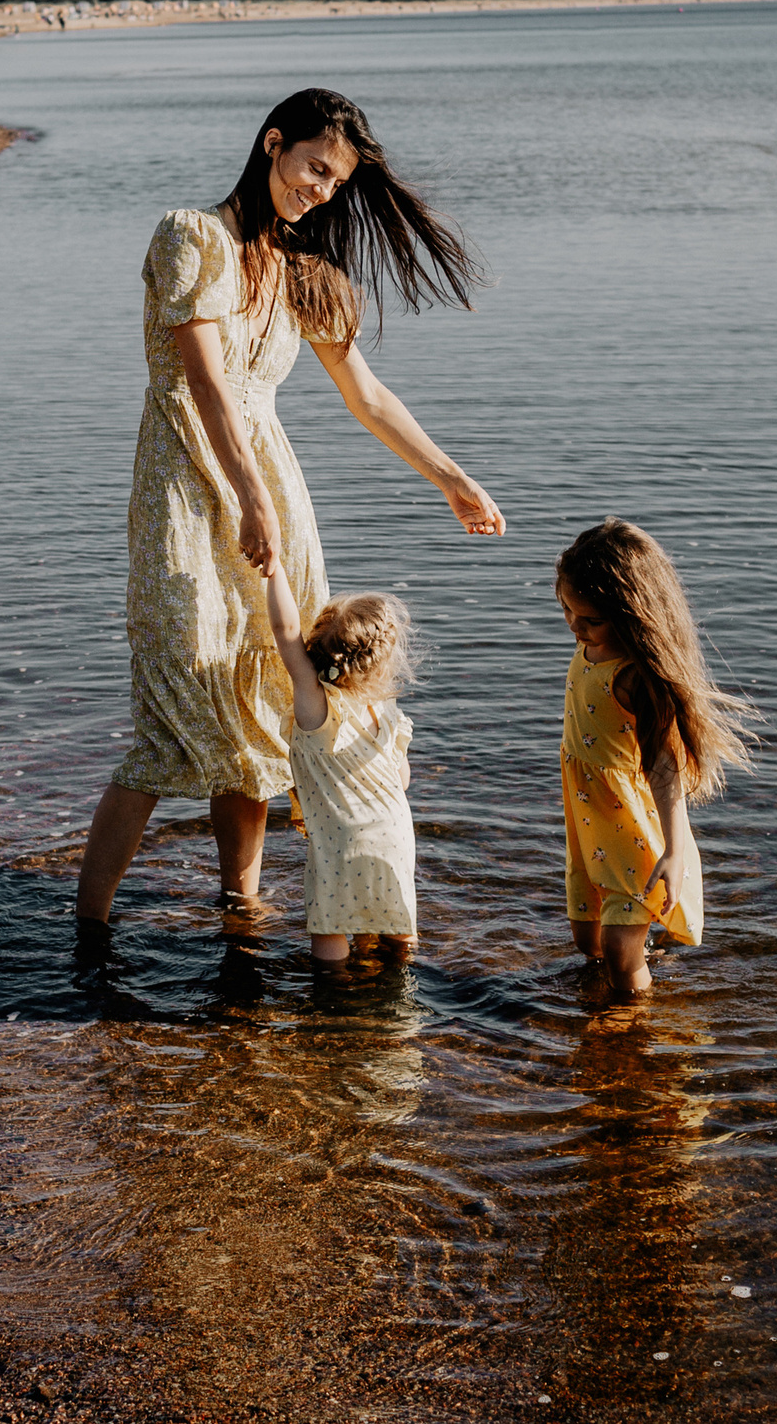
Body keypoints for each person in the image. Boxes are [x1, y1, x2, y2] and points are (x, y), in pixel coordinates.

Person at [75, 87, 503, 930]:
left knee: (264, 711)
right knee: (171, 716)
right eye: (314, 168)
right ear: (273, 144)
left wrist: (451, 477)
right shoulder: (190, 237)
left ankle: (242, 906)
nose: (322, 190)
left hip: (274, 501)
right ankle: (87, 931)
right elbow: (203, 383)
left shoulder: (306, 272)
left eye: (336, 182)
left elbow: (367, 396)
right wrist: (246, 497)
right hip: (190, 497)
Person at [554, 517, 756, 994]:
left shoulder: (634, 678)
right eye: (566, 610)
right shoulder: (592, 648)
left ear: (631, 614)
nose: (575, 627)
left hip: (630, 825)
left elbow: (666, 768)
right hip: (588, 819)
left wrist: (674, 850)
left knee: (621, 951)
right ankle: (623, 986)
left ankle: (635, 1033)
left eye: (591, 619)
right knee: (590, 941)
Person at [260, 567, 418, 966]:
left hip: (339, 844)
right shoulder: (385, 711)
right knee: (397, 923)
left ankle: (332, 1000)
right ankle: (402, 984)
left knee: (331, 925)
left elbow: (285, 630)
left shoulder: (317, 707)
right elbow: (402, 781)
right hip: (396, 837)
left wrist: (274, 568)